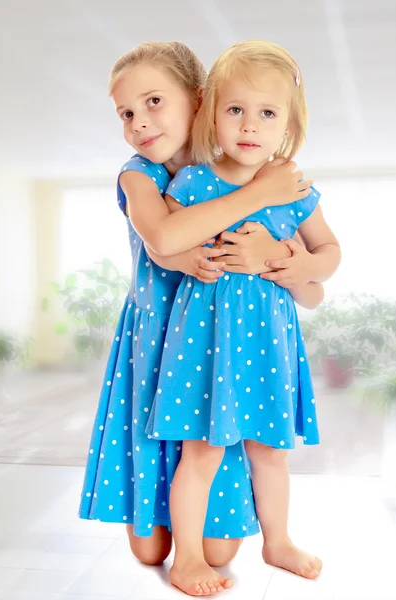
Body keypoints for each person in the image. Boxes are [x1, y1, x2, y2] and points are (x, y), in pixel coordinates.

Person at [78, 40, 319, 594]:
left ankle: (229, 541)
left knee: (220, 537)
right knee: (147, 552)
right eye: (126, 113)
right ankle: (171, 536)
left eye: (154, 102)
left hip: (219, 350)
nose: (140, 122)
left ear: (199, 99)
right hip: (156, 342)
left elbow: (312, 291)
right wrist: (260, 191)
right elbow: (164, 237)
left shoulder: (244, 172)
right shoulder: (143, 175)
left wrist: (278, 257)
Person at [146, 40, 341, 596]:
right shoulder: (194, 184)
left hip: (269, 345)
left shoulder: (296, 192)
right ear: (212, 114)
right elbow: (166, 245)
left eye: (267, 112)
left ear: (288, 126)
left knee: (271, 453)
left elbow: (328, 254)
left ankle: (277, 541)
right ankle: (187, 560)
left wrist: (294, 261)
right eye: (235, 109)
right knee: (200, 453)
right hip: (204, 345)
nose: (249, 125)